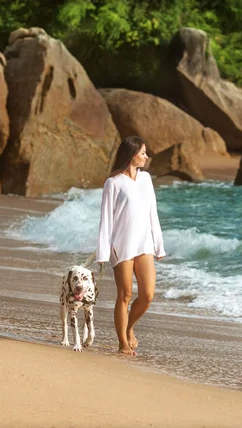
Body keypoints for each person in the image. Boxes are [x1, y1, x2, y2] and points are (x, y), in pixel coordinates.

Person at [96, 136, 166, 355]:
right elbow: (106, 219)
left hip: (144, 243)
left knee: (147, 295)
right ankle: (123, 344)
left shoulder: (146, 179)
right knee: (124, 294)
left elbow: (152, 212)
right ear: (132, 154)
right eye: (143, 152)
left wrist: (159, 245)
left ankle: (129, 327)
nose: (146, 157)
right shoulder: (113, 183)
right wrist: (103, 252)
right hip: (122, 245)